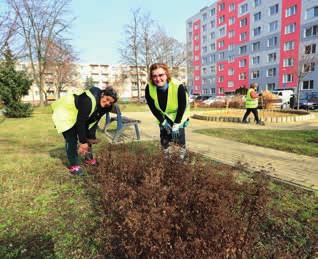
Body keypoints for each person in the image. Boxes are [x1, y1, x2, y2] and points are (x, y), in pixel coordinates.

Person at [52, 86, 118, 175]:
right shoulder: (88, 101)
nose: (107, 103)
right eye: (107, 99)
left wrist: (91, 136)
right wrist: (83, 142)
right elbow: (80, 122)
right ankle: (73, 166)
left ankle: (88, 159)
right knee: (71, 139)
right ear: (103, 94)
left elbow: (94, 120)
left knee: (87, 138)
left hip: (78, 113)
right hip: (65, 112)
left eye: (110, 102)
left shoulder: (104, 107)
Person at [145, 63, 190, 159]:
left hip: (178, 114)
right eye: (154, 76)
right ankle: (166, 159)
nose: (158, 79)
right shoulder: (149, 88)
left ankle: (180, 161)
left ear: (166, 75)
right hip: (164, 115)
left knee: (178, 139)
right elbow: (153, 108)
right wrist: (163, 121)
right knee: (165, 140)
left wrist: (177, 124)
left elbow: (182, 106)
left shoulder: (178, 86)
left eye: (161, 75)